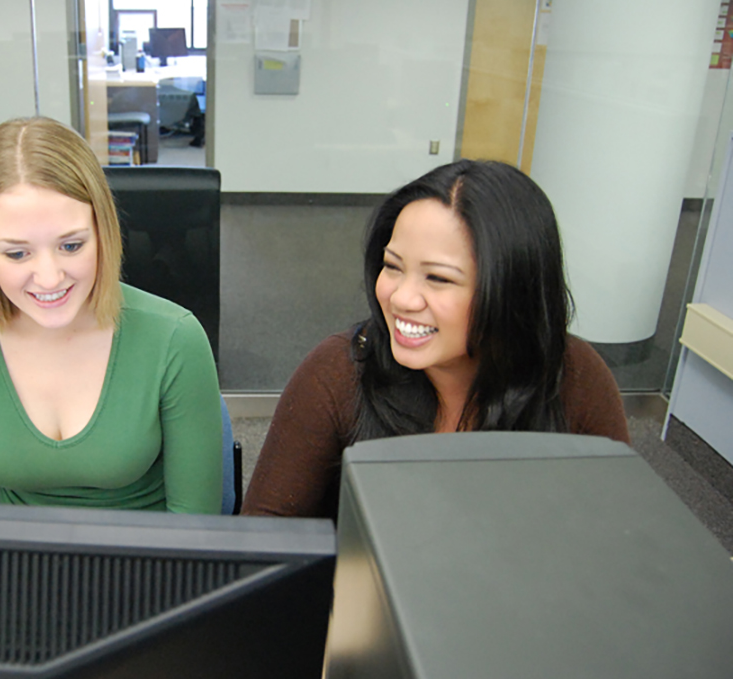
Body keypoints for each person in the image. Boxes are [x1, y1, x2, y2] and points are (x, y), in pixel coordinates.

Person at [241, 159, 631, 520]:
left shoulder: (574, 377)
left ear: (510, 291)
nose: (401, 298)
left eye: (439, 278)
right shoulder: (339, 372)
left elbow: (618, 533)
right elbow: (263, 543)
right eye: (393, 267)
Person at [0, 116, 222, 512]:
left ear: (103, 231)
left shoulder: (173, 338)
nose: (49, 278)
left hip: (143, 564)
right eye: (17, 253)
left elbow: (195, 526)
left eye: (71, 246)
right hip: (23, 563)